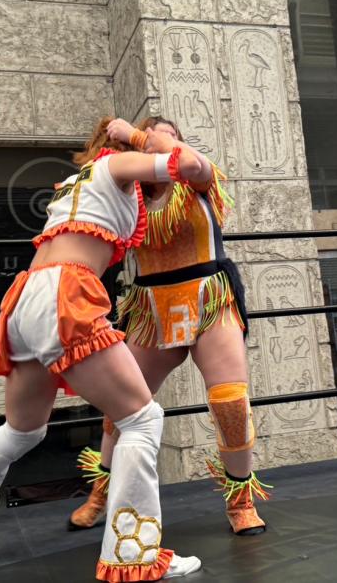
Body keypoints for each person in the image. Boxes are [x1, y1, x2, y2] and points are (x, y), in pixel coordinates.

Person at [0, 117, 204, 581]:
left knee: (22, 430)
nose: (168, 142)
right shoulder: (116, 165)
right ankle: (134, 553)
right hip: (64, 295)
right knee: (142, 419)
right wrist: (140, 137)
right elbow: (190, 164)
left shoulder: (80, 181)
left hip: (25, 299)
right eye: (162, 135)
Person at [68, 116, 269, 537]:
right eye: (156, 135)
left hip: (208, 297)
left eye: (171, 137)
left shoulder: (194, 176)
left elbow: (191, 163)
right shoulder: (128, 189)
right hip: (151, 306)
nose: (163, 141)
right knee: (121, 405)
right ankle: (101, 494)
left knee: (230, 401)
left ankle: (241, 501)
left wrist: (138, 134)